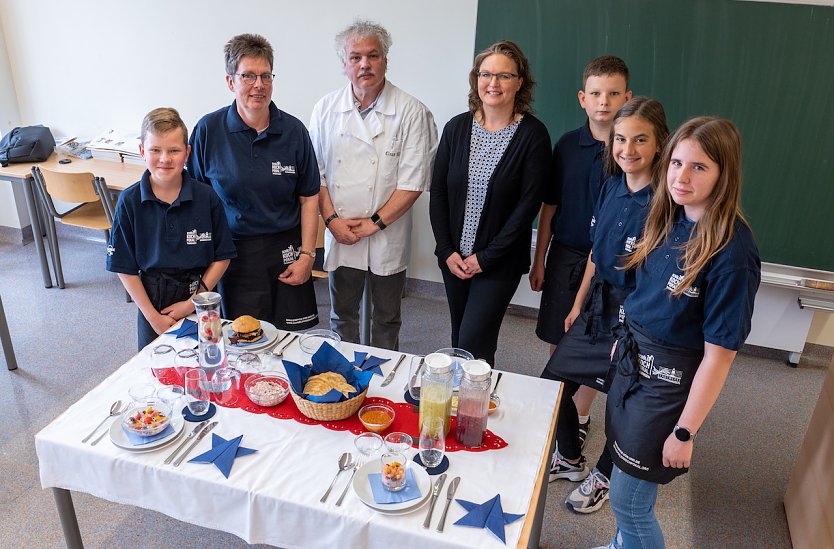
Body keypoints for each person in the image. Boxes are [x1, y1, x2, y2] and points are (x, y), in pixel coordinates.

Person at [599, 117, 761, 548]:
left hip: (669, 387)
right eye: (676, 163)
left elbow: (719, 356)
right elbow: (647, 296)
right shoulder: (669, 216)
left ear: (724, 173)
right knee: (621, 468)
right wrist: (623, 339)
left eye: (699, 167)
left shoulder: (732, 251)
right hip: (635, 364)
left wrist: (685, 432)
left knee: (629, 501)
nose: (680, 177)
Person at [542, 98, 669, 516]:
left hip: (636, 317)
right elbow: (597, 254)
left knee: (622, 403)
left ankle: (603, 474)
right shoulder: (613, 183)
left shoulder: (666, 204)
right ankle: (570, 458)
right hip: (598, 302)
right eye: (620, 138)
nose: (627, 149)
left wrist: (634, 331)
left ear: (659, 143)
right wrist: (578, 303)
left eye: (640, 139)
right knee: (553, 380)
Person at [310, 20, 437, 351]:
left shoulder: (411, 111)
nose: (364, 64)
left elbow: (413, 181)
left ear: (386, 60)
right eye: (355, 57)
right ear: (344, 64)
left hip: (387, 233)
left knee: (386, 317)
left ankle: (383, 383)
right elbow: (317, 174)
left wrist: (374, 223)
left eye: (373, 55)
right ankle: (343, 379)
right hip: (340, 231)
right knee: (342, 317)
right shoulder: (325, 109)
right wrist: (333, 222)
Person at [430, 40, 551, 366]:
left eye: (504, 76)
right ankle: (465, 404)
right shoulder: (456, 128)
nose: (493, 83)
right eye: (486, 74)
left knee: (473, 340)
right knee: (461, 340)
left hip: (498, 264)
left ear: (519, 82)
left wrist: (485, 258)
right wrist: (446, 251)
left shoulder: (533, 136)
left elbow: (527, 208)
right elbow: (438, 192)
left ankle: (473, 410)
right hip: (454, 258)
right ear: (476, 78)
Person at [531, 55, 632, 447]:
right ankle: (562, 409)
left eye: (612, 93)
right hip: (565, 256)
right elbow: (550, 206)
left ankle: (581, 414)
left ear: (628, 97)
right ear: (582, 99)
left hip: (611, 267)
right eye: (595, 93)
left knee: (595, 341)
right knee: (562, 334)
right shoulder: (568, 146)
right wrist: (539, 258)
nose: (604, 101)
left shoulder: (632, 151)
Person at [187, 33, 320, 330]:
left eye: (265, 76)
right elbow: (195, 200)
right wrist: (201, 267)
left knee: (290, 343)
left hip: (286, 253)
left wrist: (308, 256)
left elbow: (309, 197)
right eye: (248, 76)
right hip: (231, 257)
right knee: (239, 342)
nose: (258, 85)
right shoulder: (208, 130)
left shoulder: (295, 132)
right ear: (230, 82)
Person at [107, 108, 235, 350]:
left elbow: (223, 256)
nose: (165, 159)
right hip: (152, 303)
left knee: (209, 359)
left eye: (174, 150)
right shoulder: (129, 201)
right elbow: (124, 268)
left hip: (201, 297)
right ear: (142, 151)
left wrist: (191, 304)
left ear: (186, 153)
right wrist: (153, 318)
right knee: (155, 368)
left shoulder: (206, 197)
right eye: (156, 150)